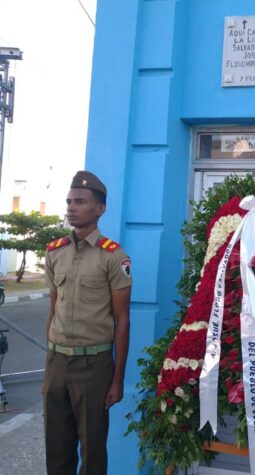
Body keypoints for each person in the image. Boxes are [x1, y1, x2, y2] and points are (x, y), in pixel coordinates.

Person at [43, 171, 132, 475]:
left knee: (93, 451)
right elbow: (54, 309)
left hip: (94, 365)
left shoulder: (114, 256)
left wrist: (117, 379)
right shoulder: (55, 252)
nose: (71, 207)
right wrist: (50, 360)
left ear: (100, 209)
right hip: (58, 361)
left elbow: (122, 320)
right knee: (56, 448)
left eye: (79, 202)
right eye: (69, 201)